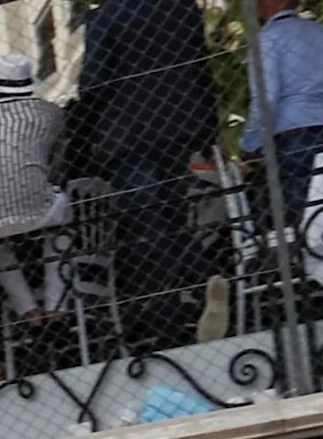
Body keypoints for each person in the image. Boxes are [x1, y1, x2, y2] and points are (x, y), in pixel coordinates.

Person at [70, 0, 220, 351]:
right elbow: (199, 69)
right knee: (172, 214)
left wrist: (85, 127)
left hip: (128, 136)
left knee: (147, 230)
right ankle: (205, 279)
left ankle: (170, 326)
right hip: (178, 128)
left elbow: (93, 82)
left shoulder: (106, 17)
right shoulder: (181, 9)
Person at [0, 52, 71, 330]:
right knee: (60, 227)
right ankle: (57, 305)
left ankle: (28, 310)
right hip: (38, 207)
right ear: (29, 85)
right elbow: (58, 159)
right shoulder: (49, 112)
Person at [242, 0, 323, 211]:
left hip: (293, 138)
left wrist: (250, 143)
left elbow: (267, 97)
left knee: (301, 218)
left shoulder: (267, 41)